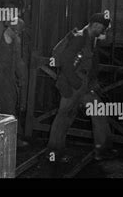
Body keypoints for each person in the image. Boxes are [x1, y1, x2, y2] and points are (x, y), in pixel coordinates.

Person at [47, 13, 115, 162]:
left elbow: (89, 62)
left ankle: (102, 150)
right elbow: (65, 60)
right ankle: (54, 152)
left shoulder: (91, 38)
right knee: (64, 117)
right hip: (74, 83)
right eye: (103, 28)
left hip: (83, 84)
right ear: (96, 25)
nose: (103, 32)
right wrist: (76, 83)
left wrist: (90, 81)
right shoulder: (79, 37)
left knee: (97, 111)